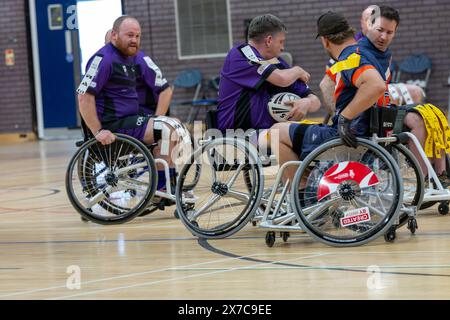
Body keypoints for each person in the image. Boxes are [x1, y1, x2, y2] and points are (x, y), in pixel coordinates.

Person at [268, 11, 387, 182]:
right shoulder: (368, 53)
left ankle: (301, 194)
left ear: (325, 41)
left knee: (277, 131)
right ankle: (311, 185)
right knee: (298, 128)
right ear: (350, 32)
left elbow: (376, 86)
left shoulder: (350, 58)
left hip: (350, 138)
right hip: (367, 134)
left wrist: (345, 117)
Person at [77, 16, 179, 192]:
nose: (134, 40)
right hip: (114, 125)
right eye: (130, 35)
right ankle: (162, 186)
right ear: (115, 35)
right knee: (166, 129)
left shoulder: (130, 58)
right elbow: (83, 96)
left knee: (173, 126)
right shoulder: (103, 59)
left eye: (137, 36)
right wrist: (98, 131)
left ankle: (167, 181)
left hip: (130, 119)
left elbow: (166, 89)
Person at [216, 14, 320, 139]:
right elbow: (282, 79)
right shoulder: (241, 54)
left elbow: (316, 101)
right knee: (291, 135)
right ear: (269, 40)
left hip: (266, 136)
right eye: (281, 42)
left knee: (313, 133)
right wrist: (297, 70)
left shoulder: (278, 63)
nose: (283, 47)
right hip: (236, 138)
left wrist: (307, 102)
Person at [319, 5, 425, 118]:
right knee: (414, 97)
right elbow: (325, 84)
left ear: (395, 31)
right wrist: (340, 116)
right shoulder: (355, 51)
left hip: (378, 112)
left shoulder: (386, 55)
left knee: (421, 114)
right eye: (379, 30)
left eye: (389, 32)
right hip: (359, 119)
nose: (384, 37)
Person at [104, 29, 173, 117]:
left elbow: (166, 92)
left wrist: (157, 122)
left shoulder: (141, 60)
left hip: (146, 113)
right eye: (110, 46)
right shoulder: (105, 63)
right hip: (123, 113)